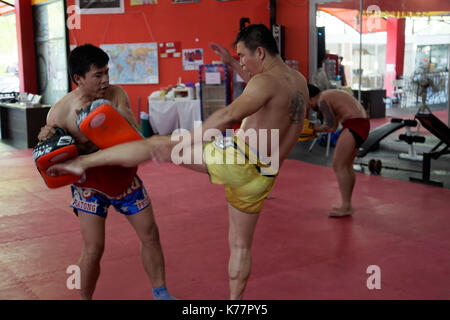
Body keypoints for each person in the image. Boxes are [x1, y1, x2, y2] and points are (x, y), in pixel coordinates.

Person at [47, 24, 308, 300]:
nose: (242, 62)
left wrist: (184, 142)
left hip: (239, 162)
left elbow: (228, 116)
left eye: (242, 55)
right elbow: (266, 89)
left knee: (156, 143)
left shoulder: (263, 82)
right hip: (265, 175)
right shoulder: (298, 81)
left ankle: (83, 164)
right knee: (241, 246)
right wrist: (230, 62)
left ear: (259, 52)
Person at [37, 44, 174, 300]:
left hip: (124, 178)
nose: (106, 80)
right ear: (78, 78)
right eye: (97, 75)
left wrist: (109, 118)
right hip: (90, 184)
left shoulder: (116, 95)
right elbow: (53, 160)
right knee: (93, 249)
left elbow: (135, 137)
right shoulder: (59, 113)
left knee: (151, 234)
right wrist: (49, 139)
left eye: (106, 72)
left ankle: (161, 294)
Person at [307, 84, 370, 217]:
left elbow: (328, 125)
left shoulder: (322, 99)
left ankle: (346, 205)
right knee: (346, 166)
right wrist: (313, 128)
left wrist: (308, 127)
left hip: (355, 124)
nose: (309, 107)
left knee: (338, 165)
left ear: (310, 98)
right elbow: (332, 127)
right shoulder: (329, 96)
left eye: (307, 103)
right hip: (361, 123)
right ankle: (347, 204)